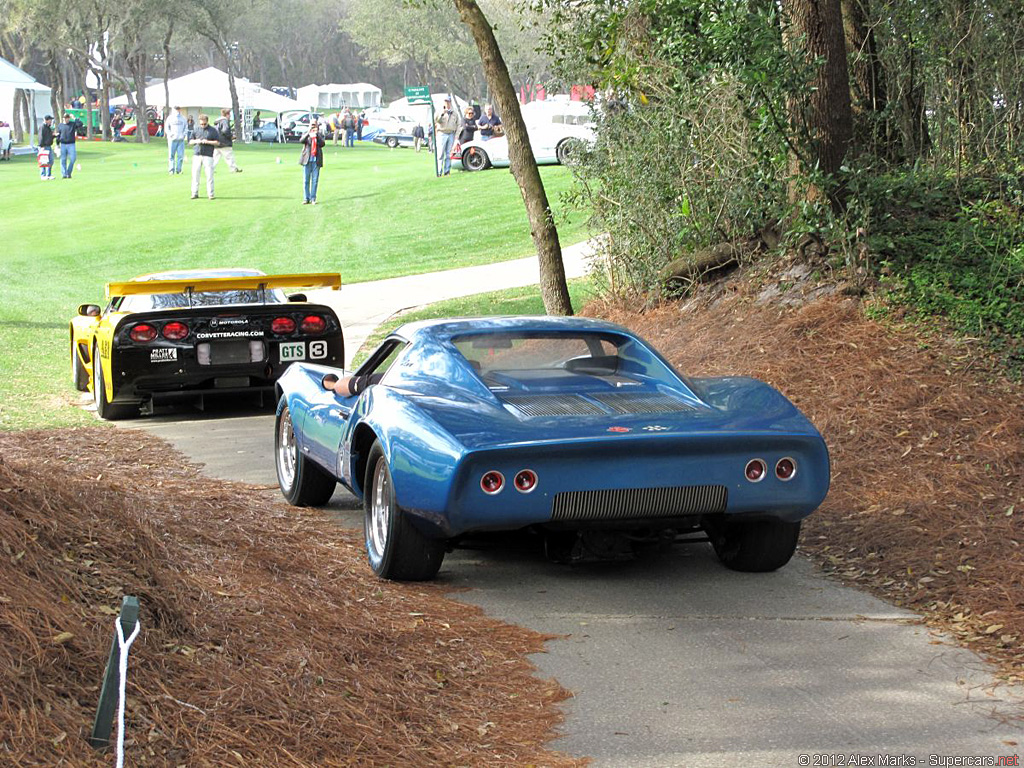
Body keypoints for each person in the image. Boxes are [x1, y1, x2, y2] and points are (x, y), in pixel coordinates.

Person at [189, 114, 219, 199]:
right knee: (195, 175)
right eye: (201, 124)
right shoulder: (196, 129)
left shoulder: (212, 130)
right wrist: (196, 141)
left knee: (209, 175)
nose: (203, 125)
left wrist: (208, 142)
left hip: (208, 155)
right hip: (197, 154)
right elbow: (190, 141)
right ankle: (194, 193)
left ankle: (210, 194)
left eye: (204, 124)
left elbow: (217, 142)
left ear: (207, 122)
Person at [299, 116, 325, 205]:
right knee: (306, 180)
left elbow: (322, 144)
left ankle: (313, 198)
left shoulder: (320, 133)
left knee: (315, 180)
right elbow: (301, 140)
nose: (313, 126)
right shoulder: (306, 132)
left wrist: (317, 134)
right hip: (307, 159)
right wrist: (308, 132)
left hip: (316, 160)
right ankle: (306, 198)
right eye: (312, 124)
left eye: (315, 124)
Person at [434, 98, 458, 175]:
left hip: (451, 133)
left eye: (448, 102)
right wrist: (442, 113)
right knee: (440, 154)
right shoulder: (439, 111)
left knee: (448, 154)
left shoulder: (454, 112)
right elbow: (437, 121)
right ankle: (439, 171)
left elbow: (458, 124)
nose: (447, 103)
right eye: (446, 102)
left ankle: (447, 171)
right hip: (442, 133)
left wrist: (456, 136)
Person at [213, 108, 242, 173]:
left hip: (216, 142)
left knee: (215, 158)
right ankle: (233, 169)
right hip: (225, 142)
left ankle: (210, 168)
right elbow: (225, 130)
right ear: (227, 114)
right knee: (229, 157)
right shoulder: (224, 121)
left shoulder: (217, 122)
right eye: (230, 115)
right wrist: (231, 136)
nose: (230, 117)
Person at [165, 106, 188, 174]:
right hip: (172, 139)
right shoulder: (170, 118)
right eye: (176, 109)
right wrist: (170, 134)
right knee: (171, 155)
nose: (177, 110)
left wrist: (183, 135)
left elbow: (186, 128)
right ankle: (171, 170)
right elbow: (167, 127)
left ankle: (179, 170)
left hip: (180, 139)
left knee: (180, 156)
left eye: (178, 109)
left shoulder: (183, 118)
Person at [55, 113, 79, 178]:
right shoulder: (60, 125)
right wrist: (57, 144)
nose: (66, 119)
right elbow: (58, 135)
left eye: (67, 118)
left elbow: (80, 124)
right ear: (63, 118)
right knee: (63, 159)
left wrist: (74, 118)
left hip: (71, 144)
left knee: (73, 159)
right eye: (65, 118)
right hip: (63, 144)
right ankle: (64, 174)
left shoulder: (72, 124)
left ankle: (68, 172)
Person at [38, 115, 55, 180]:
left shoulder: (48, 127)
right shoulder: (42, 127)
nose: (51, 121)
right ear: (46, 120)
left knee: (51, 160)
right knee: (43, 161)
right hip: (44, 146)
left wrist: (53, 136)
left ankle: (49, 174)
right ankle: (43, 175)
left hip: (48, 146)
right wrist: (42, 146)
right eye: (50, 120)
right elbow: (40, 137)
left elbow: (49, 137)